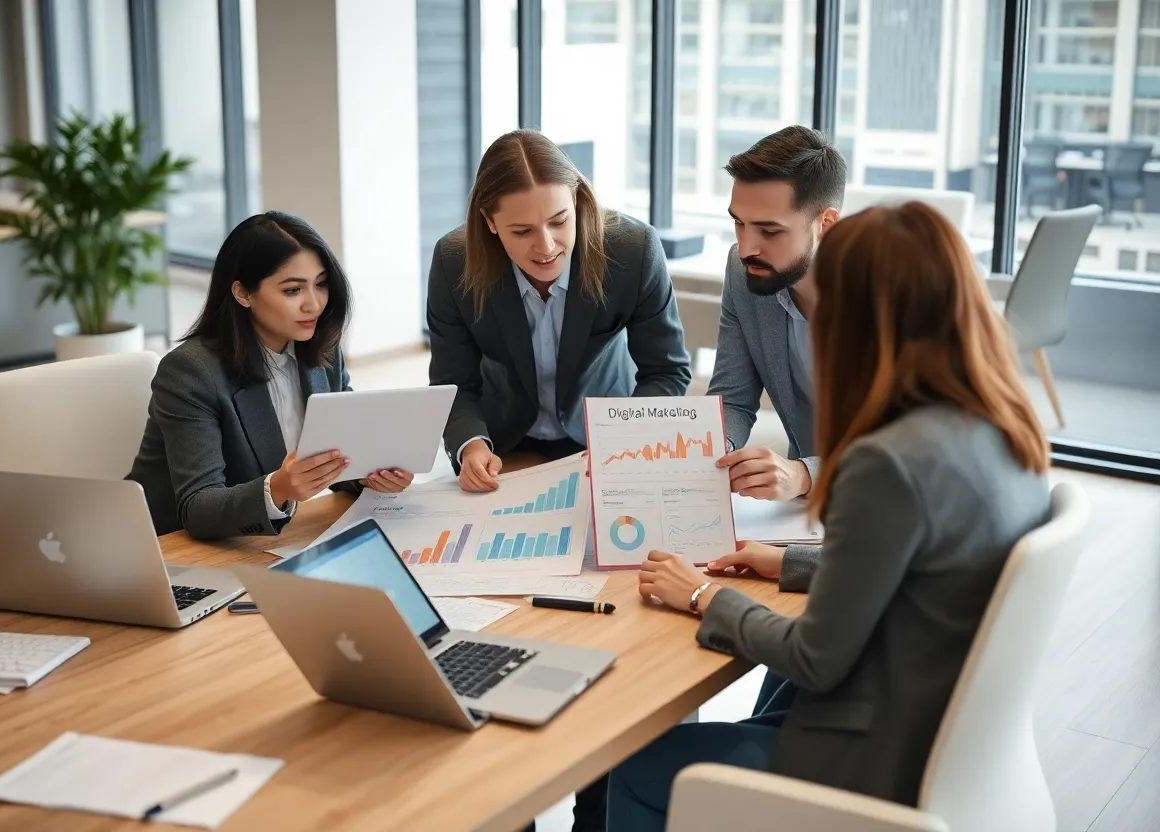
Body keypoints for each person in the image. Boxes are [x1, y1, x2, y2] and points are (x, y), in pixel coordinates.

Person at [606, 201, 1052, 831]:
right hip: (944, 730)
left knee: (638, 768)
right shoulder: (1003, 428)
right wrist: (789, 559)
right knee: (771, 697)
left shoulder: (889, 463)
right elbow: (930, 567)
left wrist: (703, 593)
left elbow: (816, 657)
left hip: (877, 757)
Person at [427, 129, 692, 496]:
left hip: (607, 443)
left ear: (577, 200)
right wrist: (471, 444)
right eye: (522, 231)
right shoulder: (453, 263)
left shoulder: (634, 250)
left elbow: (666, 371)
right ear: (490, 223)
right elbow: (453, 384)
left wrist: (627, 444)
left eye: (559, 221)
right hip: (505, 443)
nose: (547, 246)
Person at [128, 212, 413, 540]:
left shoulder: (322, 351)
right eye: (293, 290)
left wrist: (368, 475)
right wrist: (277, 488)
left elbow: (342, 453)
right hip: (168, 547)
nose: (315, 305)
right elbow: (197, 506)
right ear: (243, 294)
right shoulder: (191, 372)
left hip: (258, 544)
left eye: (321, 284)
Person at [706, 124, 846, 599]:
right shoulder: (742, 272)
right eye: (738, 223)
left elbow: (908, 443)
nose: (747, 247)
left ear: (825, 225)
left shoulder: (884, 294)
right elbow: (731, 398)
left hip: (885, 512)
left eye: (769, 231)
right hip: (804, 518)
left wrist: (805, 473)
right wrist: (704, 454)